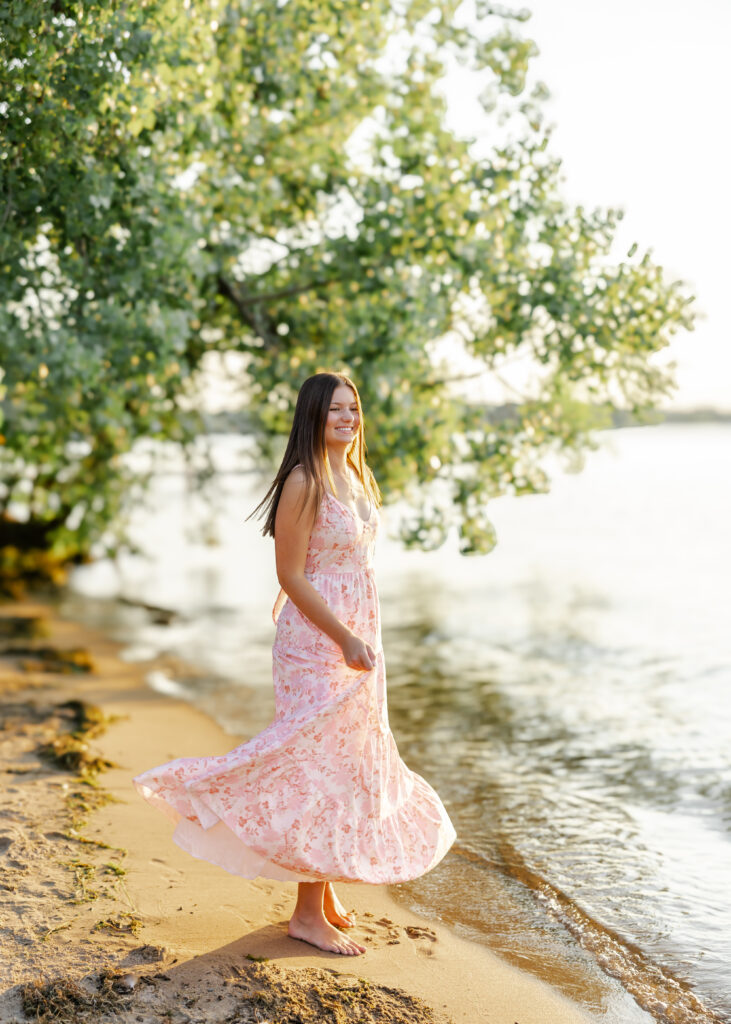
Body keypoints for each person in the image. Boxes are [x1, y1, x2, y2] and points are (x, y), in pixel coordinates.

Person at [133, 371, 456, 956]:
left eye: (353, 408)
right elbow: (291, 576)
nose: (348, 418)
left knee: (347, 758)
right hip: (318, 639)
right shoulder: (305, 482)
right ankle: (306, 914)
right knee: (318, 764)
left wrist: (364, 637)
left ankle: (323, 896)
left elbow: (358, 567)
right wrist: (345, 637)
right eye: (336, 410)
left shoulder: (356, 474)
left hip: (358, 635)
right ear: (313, 415)